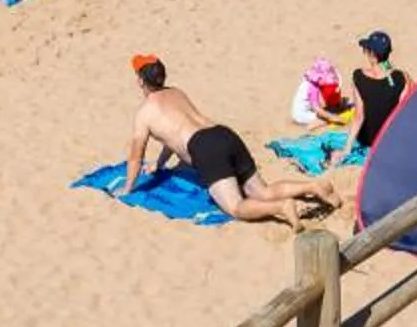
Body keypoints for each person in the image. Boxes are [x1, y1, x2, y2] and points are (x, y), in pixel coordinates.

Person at [121, 56, 324, 226]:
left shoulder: (144, 113)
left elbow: (135, 157)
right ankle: (312, 187)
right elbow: (173, 134)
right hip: (224, 134)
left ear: (140, 81)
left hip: (205, 148)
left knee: (236, 207)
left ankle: (281, 207)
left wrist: (128, 188)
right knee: (263, 191)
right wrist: (159, 163)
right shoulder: (176, 92)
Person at [352, 31, 407, 149]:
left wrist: (346, 148)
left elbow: (359, 117)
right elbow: (404, 110)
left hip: (367, 140)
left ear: (371, 53)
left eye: (366, 50)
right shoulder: (402, 77)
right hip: (389, 139)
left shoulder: (359, 76)